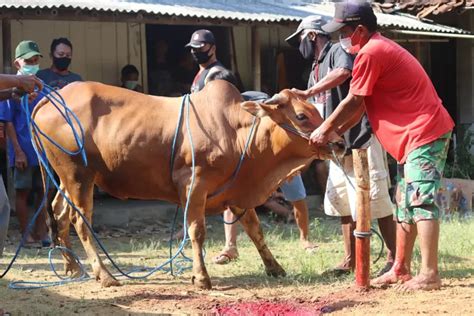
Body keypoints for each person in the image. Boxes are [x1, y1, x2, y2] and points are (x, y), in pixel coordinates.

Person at [312, 0, 454, 291]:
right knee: (404, 202)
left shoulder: (371, 53)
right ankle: (400, 267)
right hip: (411, 137)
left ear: (360, 30)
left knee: (420, 201)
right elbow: (360, 106)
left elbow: (353, 101)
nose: (341, 38)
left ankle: (429, 274)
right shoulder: (372, 49)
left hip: (424, 131)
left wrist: (325, 128)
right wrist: (333, 131)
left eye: (344, 31)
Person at [286, 15, 396, 276]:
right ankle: (350, 260)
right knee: (343, 202)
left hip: (361, 136)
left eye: (300, 39)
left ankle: (395, 258)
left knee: (376, 200)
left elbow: (344, 73)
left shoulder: (338, 50)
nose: (299, 46)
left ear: (312, 35)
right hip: (337, 144)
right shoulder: (314, 69)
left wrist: (308, 93)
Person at [0, 40, 51, 247]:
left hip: (43, 150)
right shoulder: (12, 86)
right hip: (22, 149)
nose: (32, 63)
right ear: (17, 63)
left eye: (35, 59)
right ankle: (26, 235)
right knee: (22, 192)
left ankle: (43, 233)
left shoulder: (41, 86)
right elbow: (8, 121)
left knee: (42, 192)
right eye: (28, 60)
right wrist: (18, 151)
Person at [0, 74, 42, 256]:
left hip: (39, 154)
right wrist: (18, 81)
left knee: (2, 205)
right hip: (22, 151)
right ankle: (26, 236)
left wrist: (11, 92)